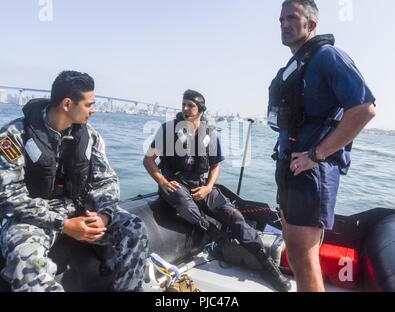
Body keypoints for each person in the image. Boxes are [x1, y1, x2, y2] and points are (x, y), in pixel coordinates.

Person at [0, 71, 149, 292]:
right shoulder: (14, 136)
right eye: (89, 104)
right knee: (27, 262)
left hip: (77, 209)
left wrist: (104, 215)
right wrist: (63, 224)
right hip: (32, 217)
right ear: (67, 104)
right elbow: (9, 197)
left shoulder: (90, 137)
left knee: (135, 228)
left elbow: (106, 181)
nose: (93, 110)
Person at [268, 0, 376, 291]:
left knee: (303, 257)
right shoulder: (297, 63)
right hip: (291, 168)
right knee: (296, 250)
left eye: (292, 18)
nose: (284, 24)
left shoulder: (329, 56)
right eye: (281, 19)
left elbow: (364, 109)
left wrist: (316, 155)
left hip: (311, 172)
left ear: (312, 24)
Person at [144, 89, 291, 292]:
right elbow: (148, 160)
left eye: (190, 105)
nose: (185, 109)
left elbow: (215, 166)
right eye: (183, 104)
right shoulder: (168, 131)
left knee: (235, 216)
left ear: (201, 110)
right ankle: (213, 232)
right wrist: (161, 181)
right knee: (182, 200)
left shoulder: (209, 135)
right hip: (175, 186)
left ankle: (269, 267)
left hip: (200, 186)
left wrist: (208, 187)